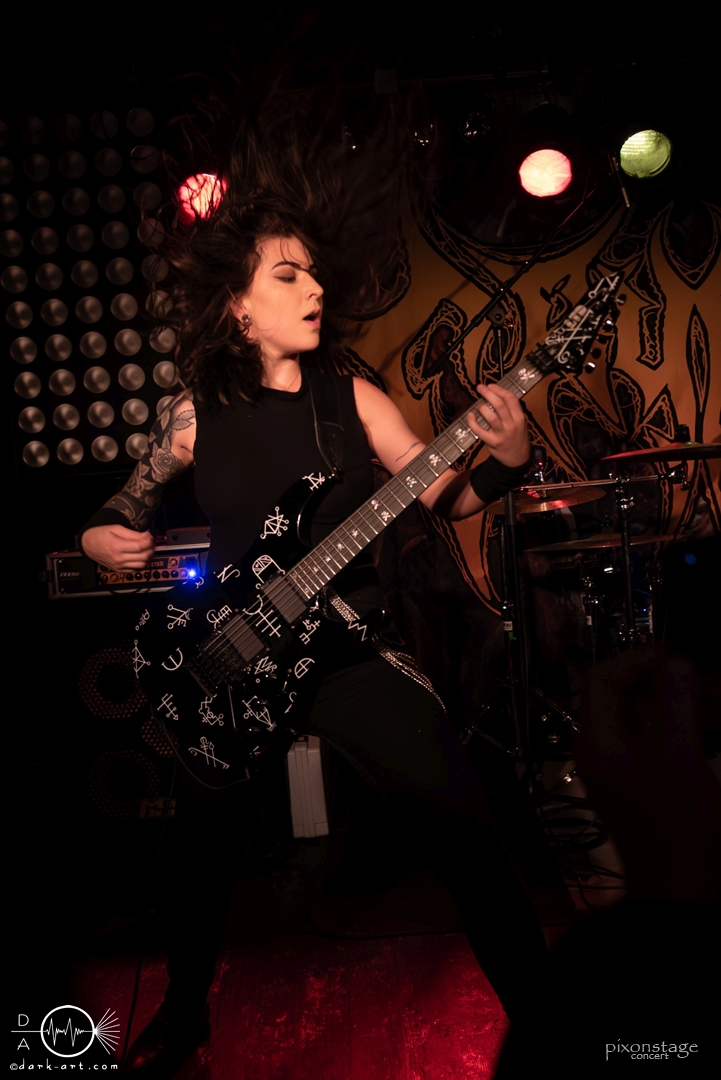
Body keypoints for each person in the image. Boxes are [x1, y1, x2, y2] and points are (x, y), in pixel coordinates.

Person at [80, 210, 547, 1076]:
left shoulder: (352, 399)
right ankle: (183, 1019)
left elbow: (445, 497)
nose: (314, 289)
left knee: (468, 835)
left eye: (314, 274)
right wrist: (97, 534)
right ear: (237, 307)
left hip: (347, 650)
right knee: (199, 860)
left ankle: (551, 1028)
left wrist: (509, 455)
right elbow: (127, 499)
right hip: (227, 658)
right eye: (287, 275)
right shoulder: (194, 414)